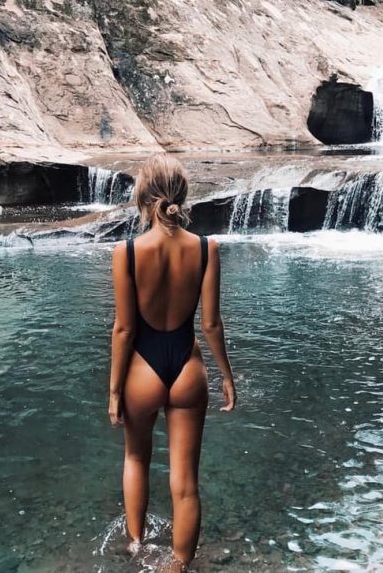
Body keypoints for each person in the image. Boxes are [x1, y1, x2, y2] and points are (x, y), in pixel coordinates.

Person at [108, 153, 236, 571]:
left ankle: (136, 545)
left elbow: (124, 330)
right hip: (187, 367)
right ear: (182, 196)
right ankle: (179, 564)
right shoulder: (206, 248)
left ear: (144, 197)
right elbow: (212, 323)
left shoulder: (126, 252)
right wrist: (226, 376)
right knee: (185, 483)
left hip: (142, 368)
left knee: (136, 458)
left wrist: (113, 391)